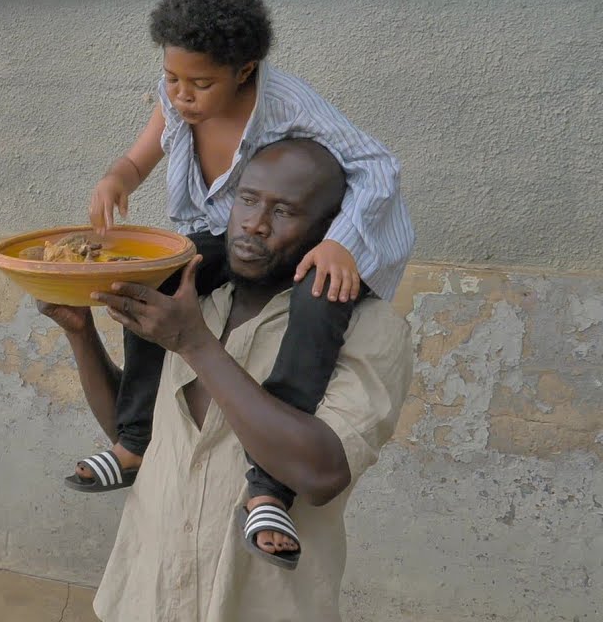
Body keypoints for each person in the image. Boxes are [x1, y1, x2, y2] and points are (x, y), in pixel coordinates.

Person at [68, 0, 414, 563]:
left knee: (316, 308)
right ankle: (135, 440)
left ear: (244, 70)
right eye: (172, 79)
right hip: (236, 238)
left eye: (200, 84)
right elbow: (138, 156)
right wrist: (116, 178)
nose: (182, 95)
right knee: (155, 277)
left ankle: (269, 488)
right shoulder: (175, 99)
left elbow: (378, 166)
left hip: (321, 244)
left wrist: (343, 242)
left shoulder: (287, 104)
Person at [42, 140, 411, 620]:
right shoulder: (191, 299)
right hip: (146, 598)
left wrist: (194, 344)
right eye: (248, 200)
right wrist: (80, 333)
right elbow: (138, 438)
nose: (255, 223)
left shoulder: (369, 329)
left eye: (284, 211)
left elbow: (320, 475)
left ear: (330, 231)